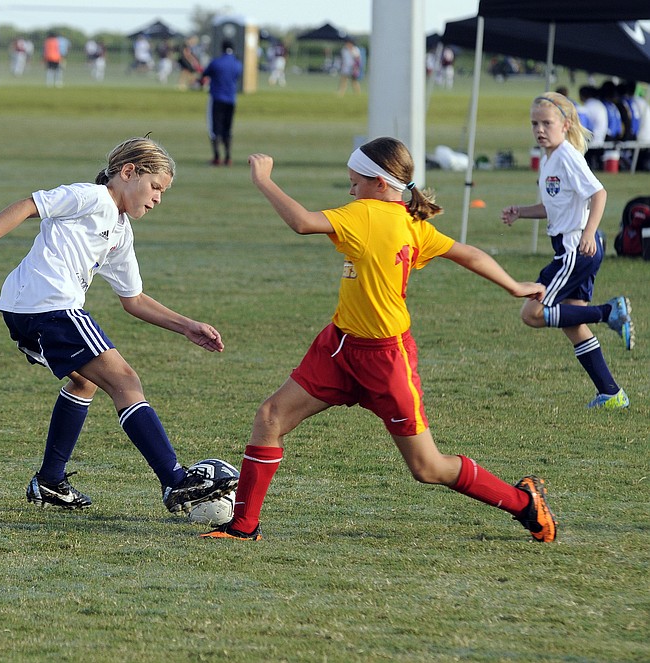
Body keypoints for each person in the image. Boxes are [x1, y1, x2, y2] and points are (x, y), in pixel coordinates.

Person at [202, 137, 558, 542]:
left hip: (387, 360)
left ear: (381, 184)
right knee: (270, 418)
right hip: (339, 348)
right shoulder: (409, 221)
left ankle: (524, 503)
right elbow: (468, 253)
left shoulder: (369, 214)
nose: (350, 190)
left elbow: (302, 222)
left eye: (355, 182)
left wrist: (264, 180)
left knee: (427, 467)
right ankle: (243, 527)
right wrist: (512, 285)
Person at [0, 137, 238, 515]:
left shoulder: (121, 231)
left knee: (85, 381)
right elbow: (30, 205)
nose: (158, 197)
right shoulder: (92, 198)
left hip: (25, 308)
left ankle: (50, 480)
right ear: (128, 173)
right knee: (125, 381)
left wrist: (186, 326)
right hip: (49, 305)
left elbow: (134, 300)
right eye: (155, 186)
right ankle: (174, 479)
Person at [501, 92, 633, 411]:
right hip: (577, 247)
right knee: (572, 322)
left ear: (566, 124)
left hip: (576, 248)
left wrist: (587, 232)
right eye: (535, 123)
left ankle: (609, 312)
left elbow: (599, 194)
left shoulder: (567, 156)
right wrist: (521, 211)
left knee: (532, 313)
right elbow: (552, 207)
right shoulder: (550, 159)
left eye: (547, 123)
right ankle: (612, 394)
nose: (540, 129)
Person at [201, 40, 243, 166]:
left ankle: (217, 156)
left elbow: (205, 74)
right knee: (227, 128)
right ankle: (228, 156)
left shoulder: (216, 62)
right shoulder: (237, 64)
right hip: (231, 99)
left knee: (215, 128)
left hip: (217, 98)